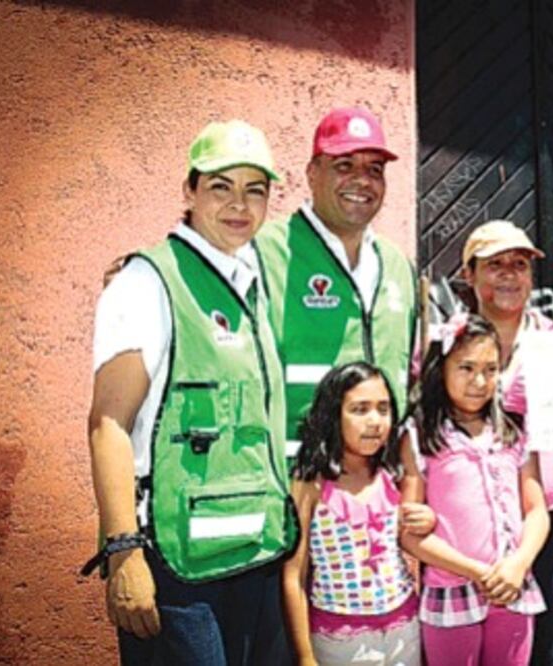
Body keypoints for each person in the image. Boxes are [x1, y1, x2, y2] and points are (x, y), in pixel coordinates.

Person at [85, 120, 296, 664]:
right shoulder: (148, 282)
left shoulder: (256, 277)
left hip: (257, 554)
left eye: (256, 189)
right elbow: (108, 422)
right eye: (221, 186)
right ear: (189, 191)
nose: (239, 205)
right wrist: (121, 550)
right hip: (175, 570)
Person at [460, 220, 553, 665]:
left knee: (548, 644)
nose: (509, 274)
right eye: (495, 264)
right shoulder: (447, 344)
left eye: (519, 264)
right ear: (470, 275)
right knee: (472, 645)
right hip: (474, 520)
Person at [257, 107, 416, 465]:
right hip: (294, 482)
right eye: (344, 166)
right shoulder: (264, 251)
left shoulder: (397, 266)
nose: (362, 180)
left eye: (374, 170)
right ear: (312, 174)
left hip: (377, 489)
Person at [399, 314, 550, 665]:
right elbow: (409, 533)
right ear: (441, 369)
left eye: (490, 369)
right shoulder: (420, 436)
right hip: (452, 590)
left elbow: (537, 510)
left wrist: (518, 564)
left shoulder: (513, 430)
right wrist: (478, 573)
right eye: (466, 368)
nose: (479, 381)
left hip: (512, 587)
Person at [282, 362, 428, 666]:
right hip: (341, 642)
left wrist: (428, 519)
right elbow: (294, 575)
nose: (375, 421)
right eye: (360, 409)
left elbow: (406, 535)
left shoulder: (390, 472)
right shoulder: (310, 483)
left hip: (404, 629)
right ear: (333, 415)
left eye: (383, 409)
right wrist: (305, 656)